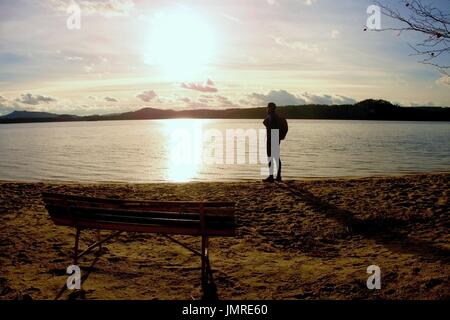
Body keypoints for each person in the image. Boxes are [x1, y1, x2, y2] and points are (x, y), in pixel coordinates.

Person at [263, 102, 282, 183]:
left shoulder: (271, 116)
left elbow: (266, 123)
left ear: (270, 108)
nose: (267, 109)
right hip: (276, 136)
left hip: (272, 137)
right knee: (276, 157)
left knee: (270, 156)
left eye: (268, 107)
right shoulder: (276, 116)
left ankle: (271, 176)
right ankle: (278, 176)